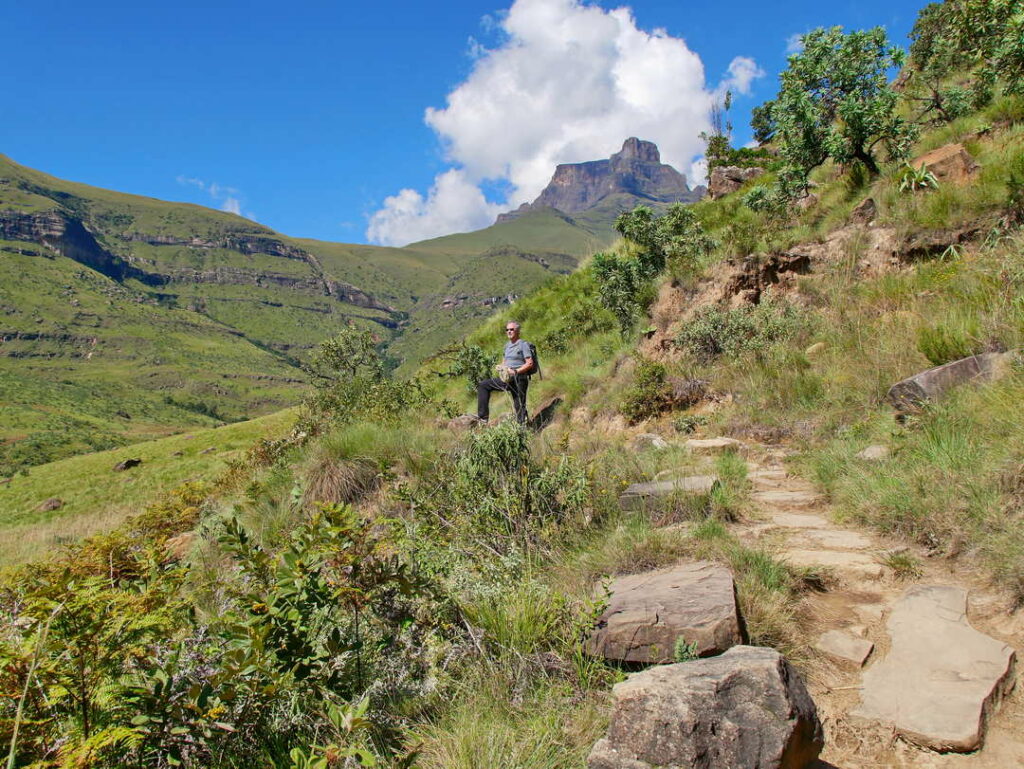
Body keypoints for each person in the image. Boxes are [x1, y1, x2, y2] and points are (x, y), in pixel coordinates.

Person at [476, 321, 535, 424]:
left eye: (511, 329)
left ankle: (523, 427)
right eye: (507, 330)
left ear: (517, 331)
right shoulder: (507, 346)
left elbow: (529, 363)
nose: (509, 331)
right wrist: (501, 367)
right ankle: (483, 418)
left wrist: (516, 371)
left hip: (519, 379)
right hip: (507, 379)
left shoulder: (523, 345)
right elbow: (505, 362)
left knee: (519, 405)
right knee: (483, 385)